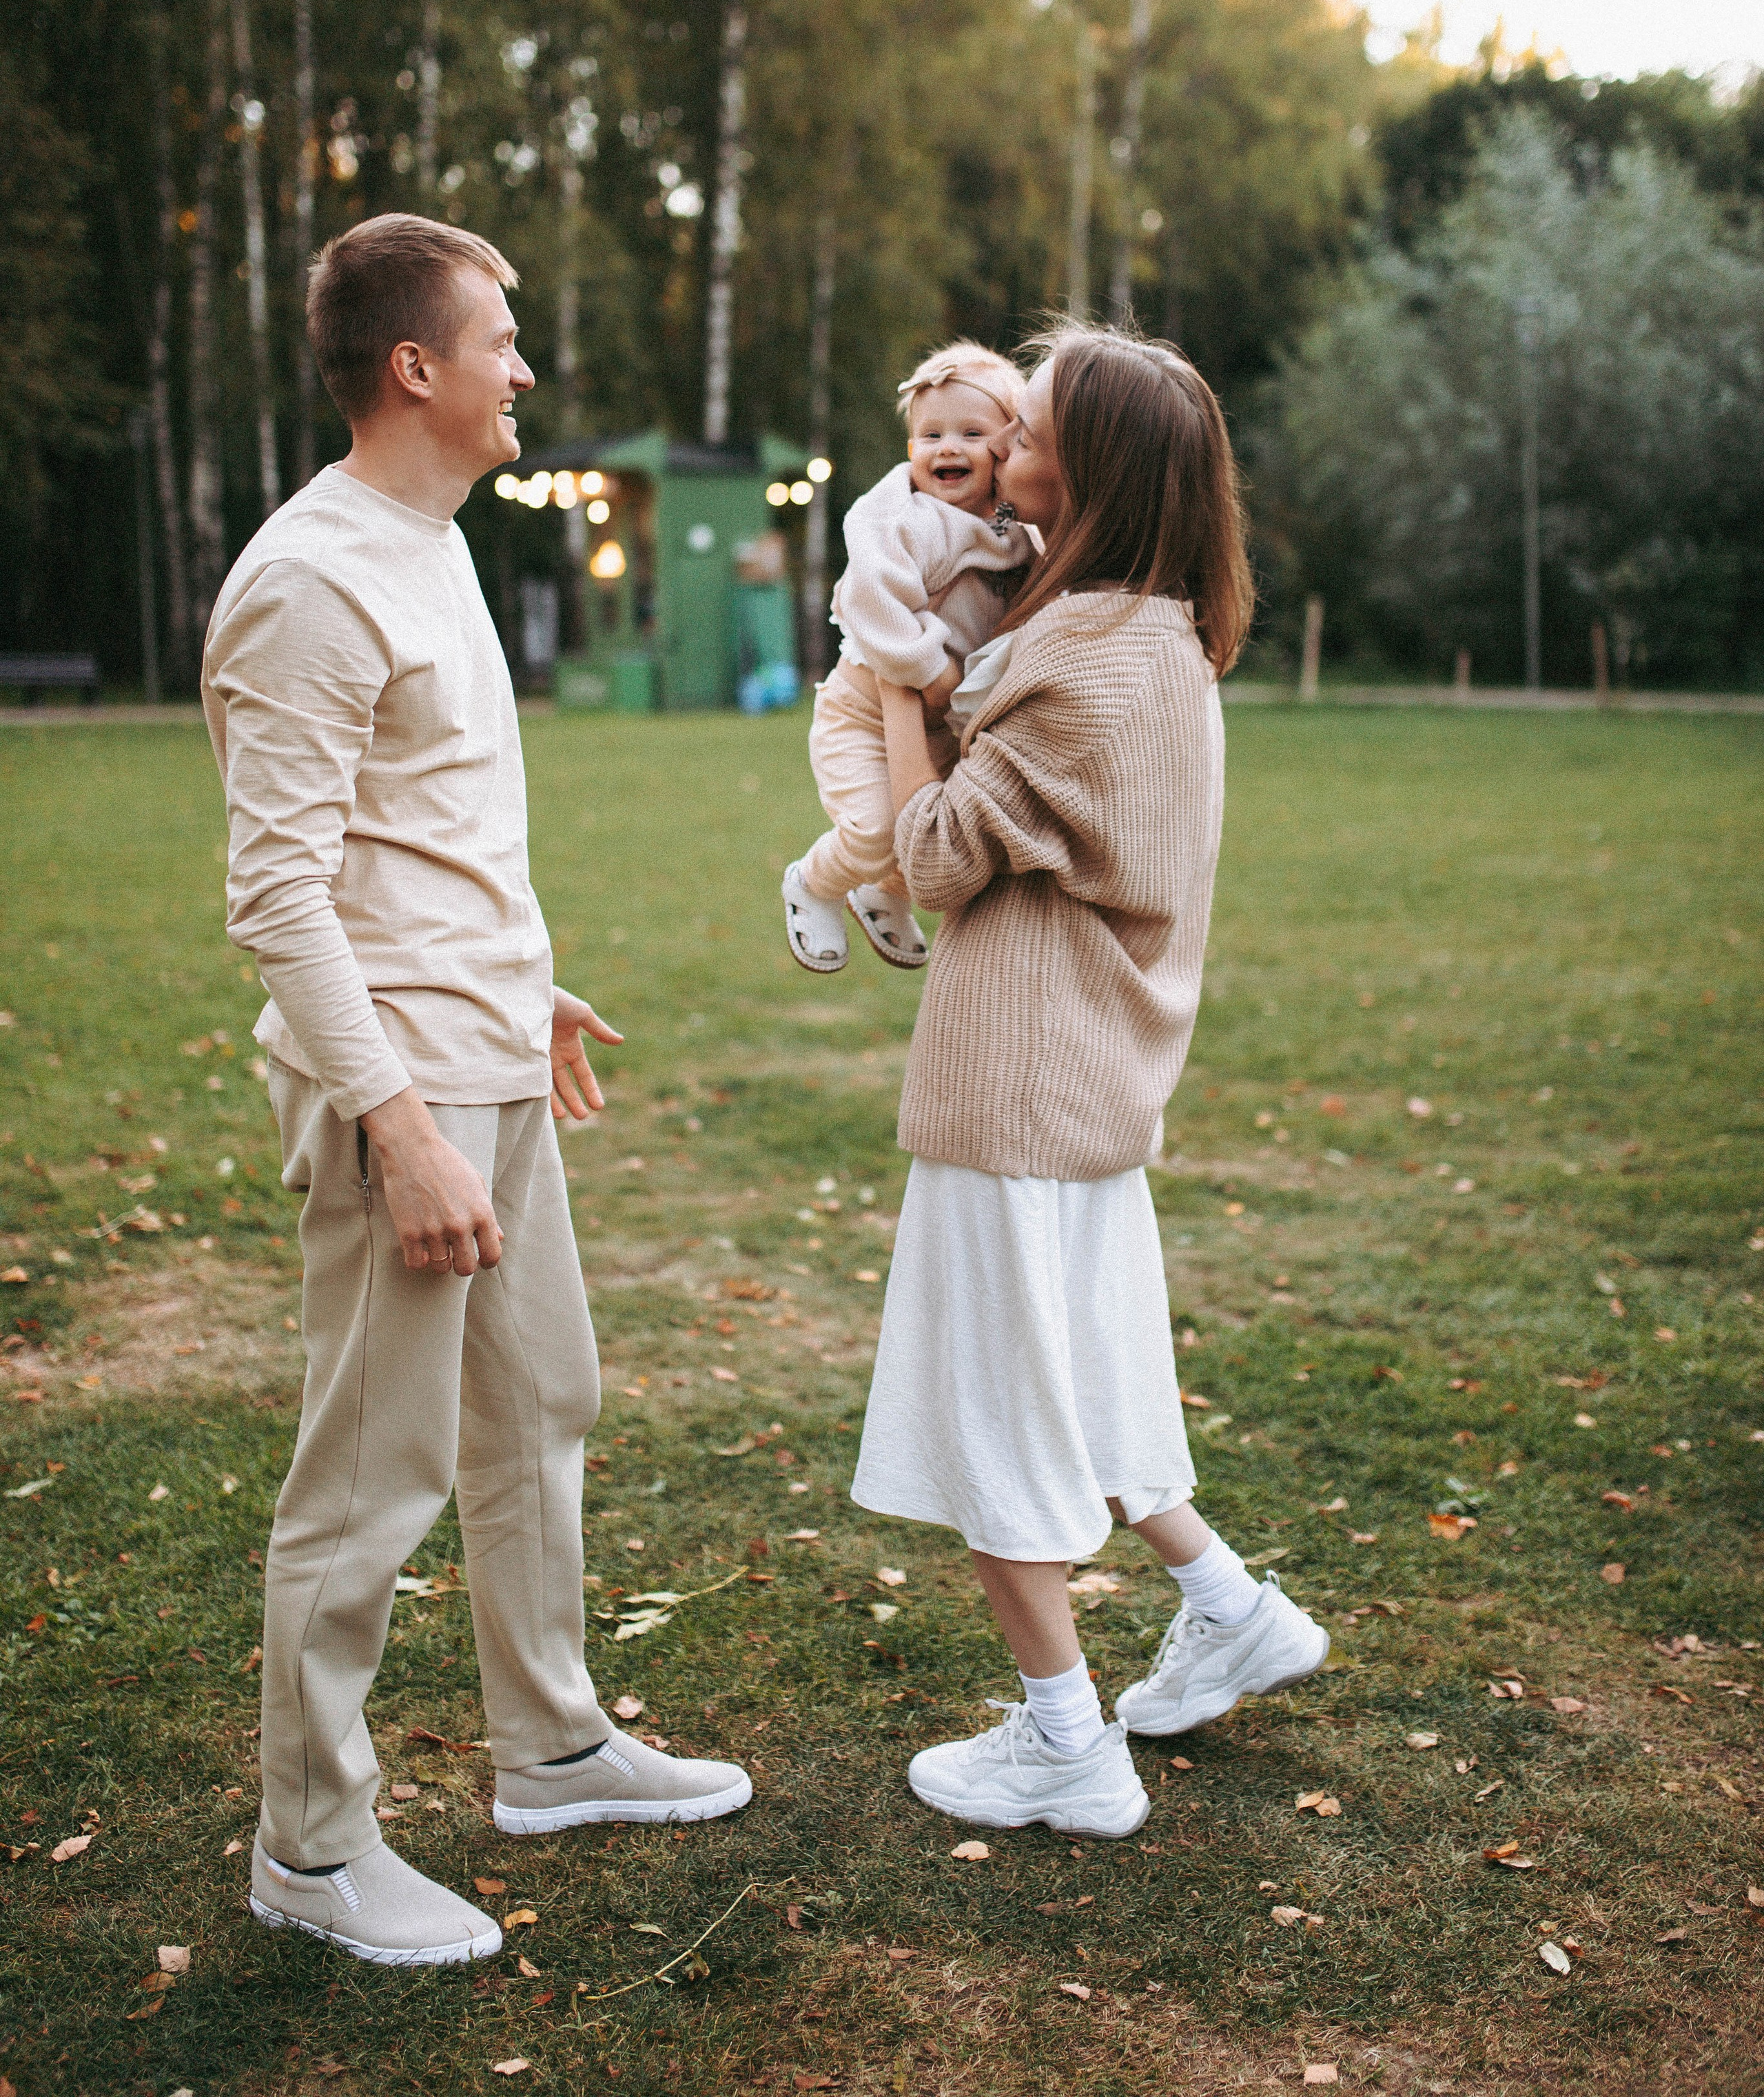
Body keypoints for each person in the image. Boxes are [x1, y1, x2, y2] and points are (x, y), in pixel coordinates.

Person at [201, 213, 750, 1968]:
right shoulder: (309, 576)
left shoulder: (430, 541)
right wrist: (403, 1116)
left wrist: (522, 993)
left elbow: (415, 841)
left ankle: (555, 1745)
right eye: (501, 340)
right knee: (374, 1473)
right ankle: (308, 1846)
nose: (528, 371)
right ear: (412, 366)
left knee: (540, 1403)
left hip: (484, 1047)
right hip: (400, 1098)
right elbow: (279, 892)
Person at [850, 324, 1330, 1839]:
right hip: (1093, 1089)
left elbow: (929, 862)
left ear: (1087, 471)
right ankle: (1227, 1608)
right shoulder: (1160, 635)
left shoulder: (1071, 665)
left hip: (1015, 1090)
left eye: (1030, 425)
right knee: (1102, 1383)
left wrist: (879, 680)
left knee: (994, 1417)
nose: (998, 442)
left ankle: (1064, 1743)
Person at [782, 342, 1032, 976]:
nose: (947, 448)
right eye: (930, 434)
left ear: (1007, 447)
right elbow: (873, 600)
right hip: (866, 710)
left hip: (944, 723)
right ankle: (815, 882)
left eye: (972, 433)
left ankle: (884, 893)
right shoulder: (898, 514)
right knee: (871, 830)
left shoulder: (1013, 526)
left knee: (931, 838)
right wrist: (934, 671)